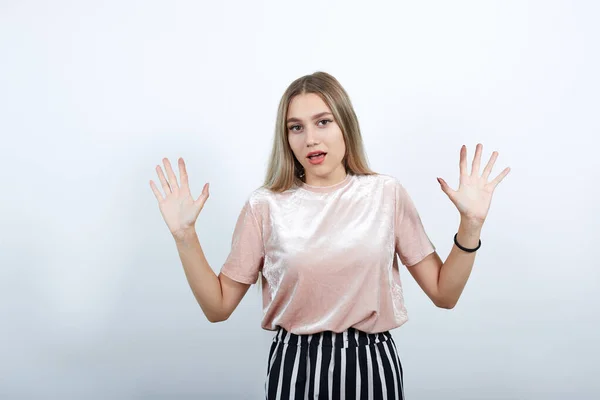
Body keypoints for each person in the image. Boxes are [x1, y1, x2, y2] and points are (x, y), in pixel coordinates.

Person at [149, 71, 510, 399]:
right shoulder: (265, 206)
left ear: (345, 126)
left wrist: (471, 225)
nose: (310, 139)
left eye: (323, 122)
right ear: (286, 137)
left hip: (372, 367)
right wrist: (185, 237)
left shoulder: (385, 194)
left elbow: (444, 294)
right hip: (296, 369)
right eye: (296, 127)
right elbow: (218, 307)